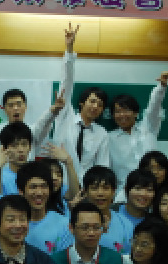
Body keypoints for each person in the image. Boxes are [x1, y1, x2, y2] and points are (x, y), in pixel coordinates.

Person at [52, 23, 110, 181]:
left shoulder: (101, 133)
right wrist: (69, 51)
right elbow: (67, 83)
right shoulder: (65, 117)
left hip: (87, 188)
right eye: (92, 101)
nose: (95, 106)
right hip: (60, 184)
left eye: (100, 104)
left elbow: (102, 167)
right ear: (82, 103)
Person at [107, 71, 168, 202]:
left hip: (154, 192)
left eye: (126, 110)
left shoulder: (148, 128)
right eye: (117, 111)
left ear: (136, 113)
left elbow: (154, 108)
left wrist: (161, 88)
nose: (122, 115)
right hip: (124, 196)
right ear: (113, 115)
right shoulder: (108, 138)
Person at [16, 161, 73, 255]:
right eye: (33, 187)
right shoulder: (13, 225)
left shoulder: (64, 225)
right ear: (21, 191)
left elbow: (65, 261)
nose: (39, 193)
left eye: (44, 186)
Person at [81, 166, 134, 254]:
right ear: (85, 192)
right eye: (94, 188)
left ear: (113, 191)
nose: (100, 193)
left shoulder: (126, 225)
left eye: (106, 188)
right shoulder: (73, 223)